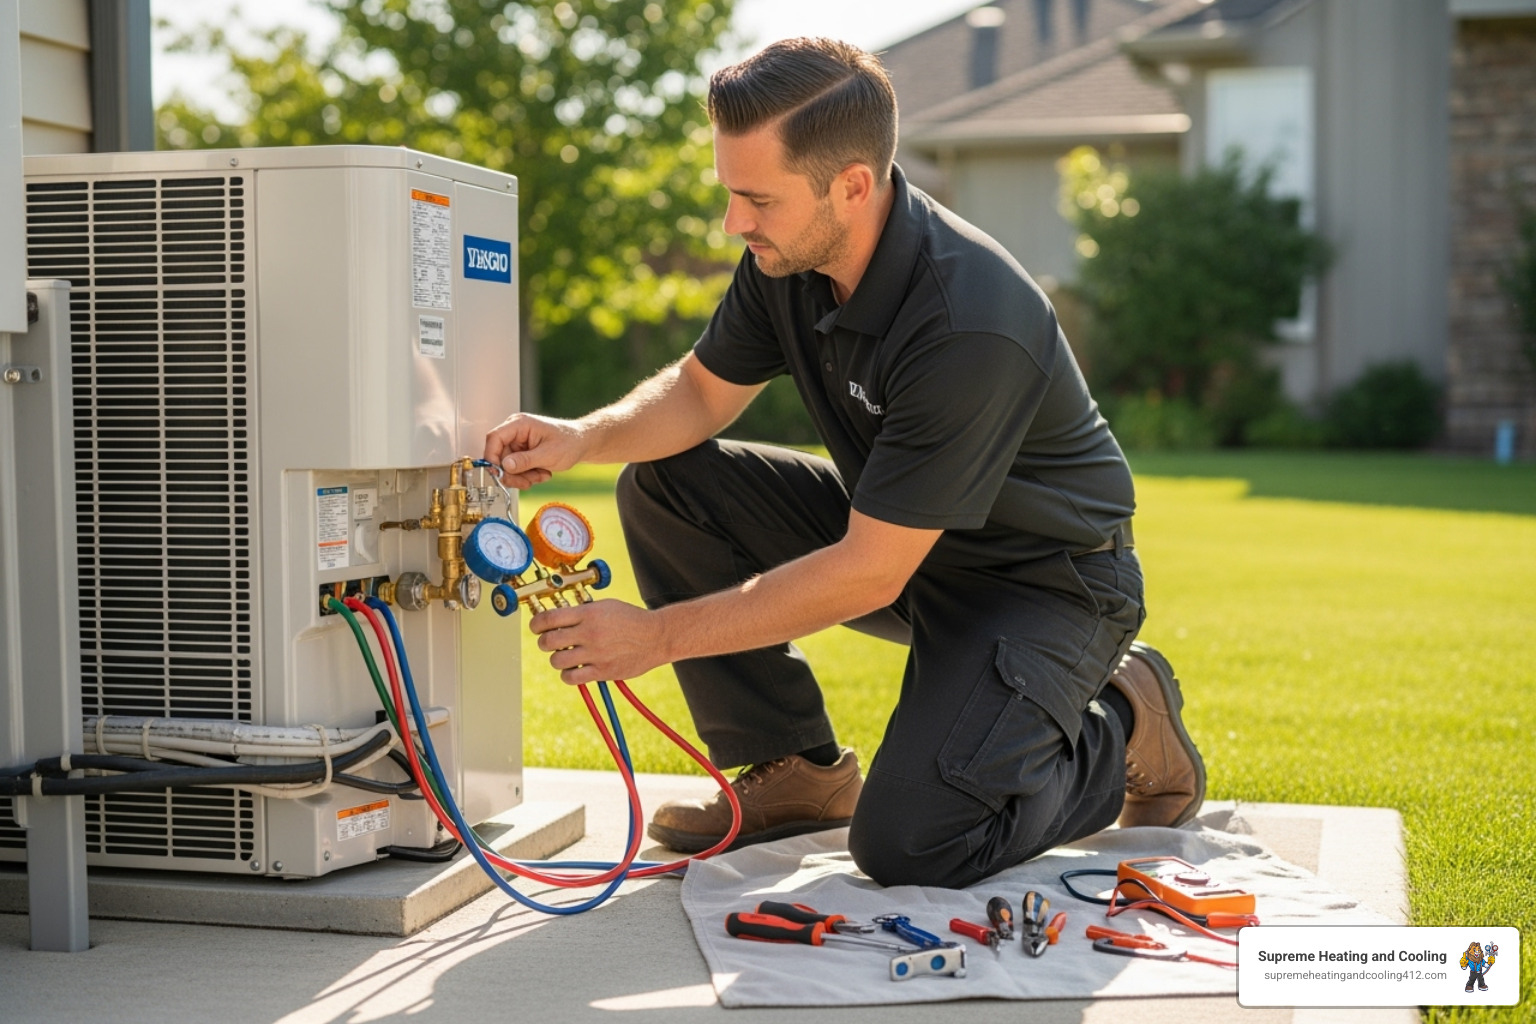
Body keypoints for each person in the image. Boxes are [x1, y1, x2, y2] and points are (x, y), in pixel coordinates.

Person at [484, 37, 1204, 888]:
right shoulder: (789, 257)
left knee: (912, 844)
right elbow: (699, 396)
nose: (733, 223)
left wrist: (655, 637)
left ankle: (1125, 722)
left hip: (1045, 584)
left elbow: (867, 576)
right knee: (667, 480)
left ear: (853, 185)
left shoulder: (967, 322)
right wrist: (585, 436)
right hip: (907, 542)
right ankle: (795, 773)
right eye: (729, 193)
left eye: (755, 199)